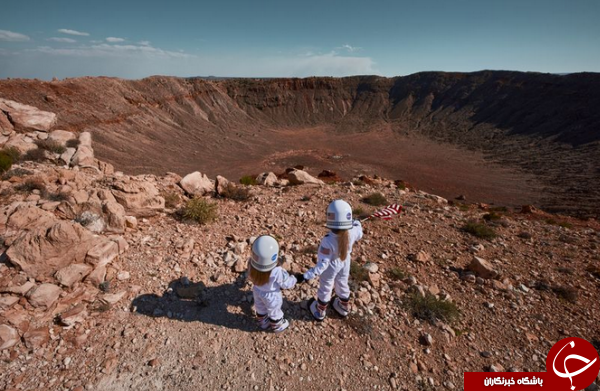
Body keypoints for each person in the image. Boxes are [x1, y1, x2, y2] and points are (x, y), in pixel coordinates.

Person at [298, 199, 363, 321]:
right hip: (345, 261)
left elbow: (323, 264)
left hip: (331, 266)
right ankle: (343, 307)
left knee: (326, 286)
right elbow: (359, 232)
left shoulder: (327, 240)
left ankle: (320, 311)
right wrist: (357, 222)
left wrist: (307, 275)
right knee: (342, 282)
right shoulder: (353, 232)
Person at [247, 235, 298, 333]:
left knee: (260, 307)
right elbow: (286, 284)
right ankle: (277, 325)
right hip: (272, 295)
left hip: (257, 290)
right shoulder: (277, 271)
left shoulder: (250, 264)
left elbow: (250, 276)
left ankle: (263, 322)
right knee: (274, 311)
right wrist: (294, 278)